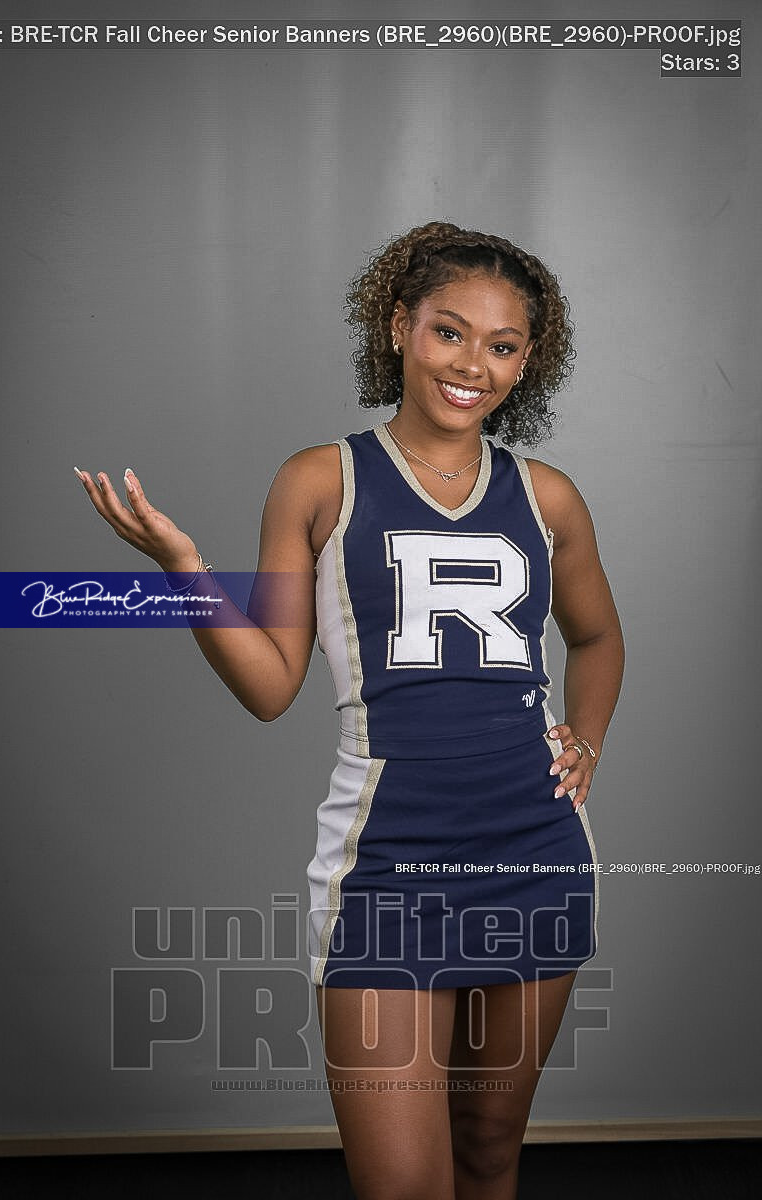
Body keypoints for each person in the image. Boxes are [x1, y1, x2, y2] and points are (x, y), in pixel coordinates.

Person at [74, 220, 625, 1200]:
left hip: (536, 851)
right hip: (386, 861)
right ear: (397, 324)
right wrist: (184, 569)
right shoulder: (319, 480)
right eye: (449, 332)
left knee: (488, 1151)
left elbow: (598, 638)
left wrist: (585, 738)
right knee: (404, 1185)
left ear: (527, 360)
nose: (473, 365)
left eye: (502, 346)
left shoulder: (549, 499)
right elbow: (269, 685)